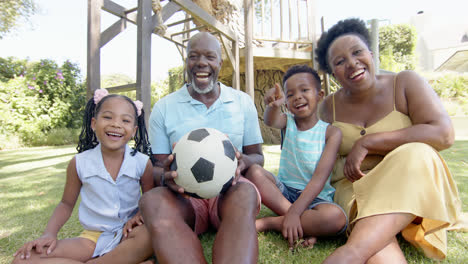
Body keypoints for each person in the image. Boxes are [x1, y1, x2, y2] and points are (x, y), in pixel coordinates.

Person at [314, 18, 466, 263]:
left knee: (417, 152)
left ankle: (350, 254)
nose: (352, 64)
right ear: (333, 73)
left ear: (371, 55)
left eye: (357, 52)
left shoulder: (404, 83)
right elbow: (309, 156)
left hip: (411, 182)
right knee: (375, 236)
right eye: (340, 62)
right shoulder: (326, 109)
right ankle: (354, 252)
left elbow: (443, 133)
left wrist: (368, 142)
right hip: (355, 190)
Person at [139, 32, 264, 264]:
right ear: (186, 62)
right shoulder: (164, 107)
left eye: (210, 56)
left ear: (220, 63)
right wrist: (166, 176)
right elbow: (157, 166)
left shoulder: (242, 102)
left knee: (245, 193)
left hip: (229, 192)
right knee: (152, 201)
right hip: (185, 199)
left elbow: (258, 156)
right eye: (193, 56)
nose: (201, 63)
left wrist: (244, 161)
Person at [12, 89, 155, 264]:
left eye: (125, 120)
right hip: (91, 239)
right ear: (93, 123)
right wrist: (49, 234)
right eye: (108, 117)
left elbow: (150, 201)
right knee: (23, 259)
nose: (116, 124)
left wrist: (138, 215)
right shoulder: (79, 163)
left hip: (129, 234)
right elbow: (66, 204)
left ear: (133, 131)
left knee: (151, 234)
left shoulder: (142, 162)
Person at [245, 65, 347, 249]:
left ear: (320, 95)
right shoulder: (287, 121)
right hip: (284, 191)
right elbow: (270, 120)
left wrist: (294, 214)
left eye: (305, 90)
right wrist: (273, 106)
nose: (297, 96)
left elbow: (318, 180)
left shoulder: (331, 133)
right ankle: (306, 226)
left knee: (336, 218)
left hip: (316, 198)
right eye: (290, 94)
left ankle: (270, 223)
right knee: (253, 171)